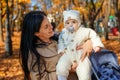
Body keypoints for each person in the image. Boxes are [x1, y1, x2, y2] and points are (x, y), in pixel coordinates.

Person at [19, 11, 93, 80]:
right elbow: (39, 78)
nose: (51, 27)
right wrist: (66, 71)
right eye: (46, 27)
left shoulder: (60, 37)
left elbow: (81, 35)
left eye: (50, 23)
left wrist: (88, 42)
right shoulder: (34, 53)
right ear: (36, 33)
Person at [56, 10, 104, 80]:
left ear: (78, 22)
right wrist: (61, 49)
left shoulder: (83, 31)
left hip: (81, 56)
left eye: (74, 22)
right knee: (61, 66)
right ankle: (61, 78)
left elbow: (93, 35)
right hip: (67, 54)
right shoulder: (63, 33)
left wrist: (96, 45)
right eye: (67, 23)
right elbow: (60, 41)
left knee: (84, 71)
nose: (70, 24)